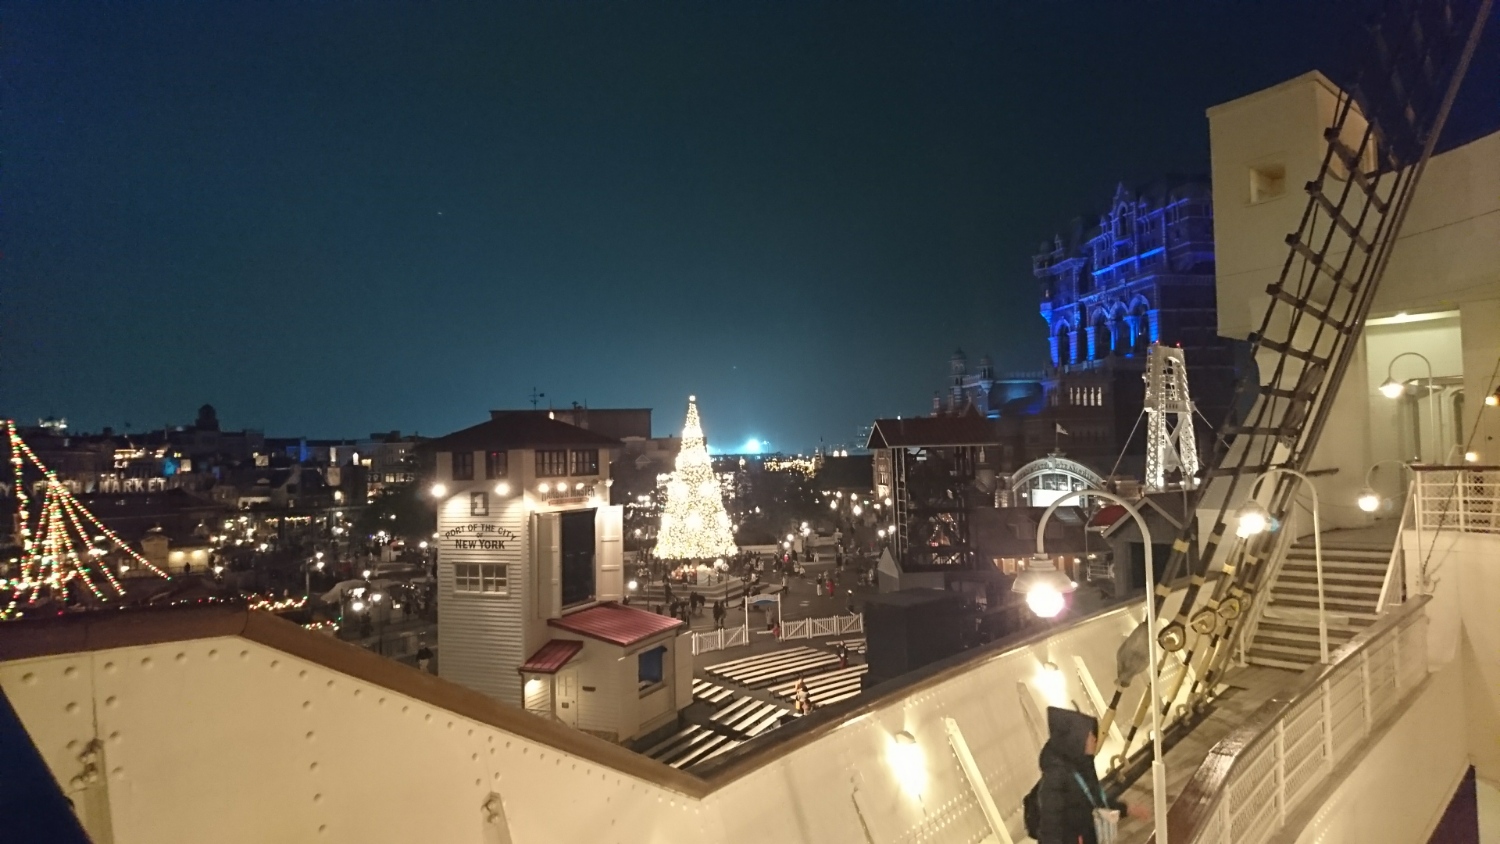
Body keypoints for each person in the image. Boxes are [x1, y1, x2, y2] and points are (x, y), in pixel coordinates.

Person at [1034, 707, 1149, 844]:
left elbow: (1095, 802)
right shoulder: (1054, 779)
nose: (1095, 739)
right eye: (1089, 736)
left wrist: (1126, 809)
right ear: (1077, 740)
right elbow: (1050, 833)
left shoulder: (1083, 765)